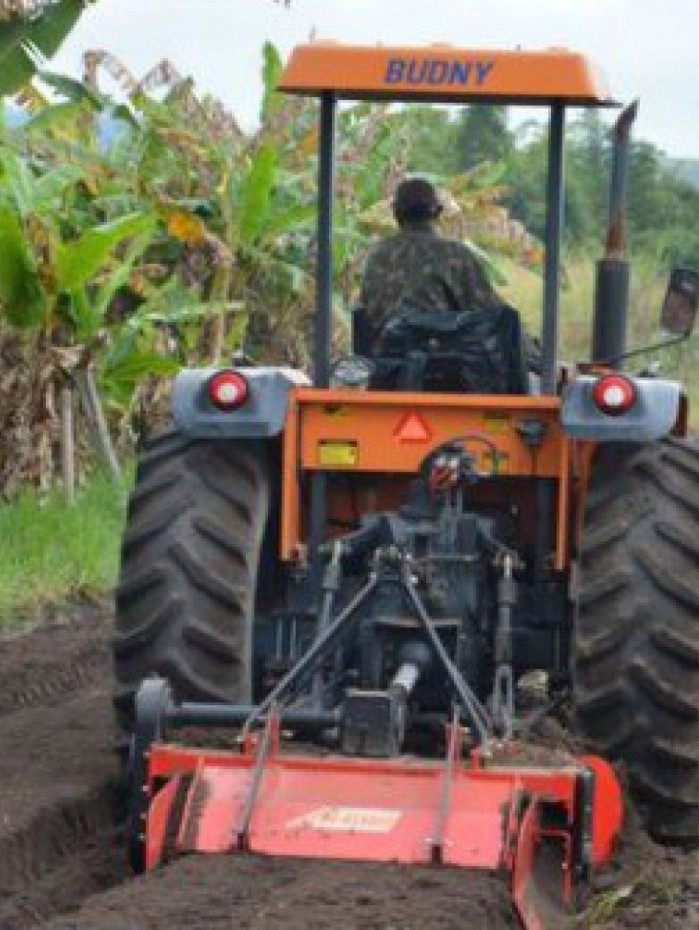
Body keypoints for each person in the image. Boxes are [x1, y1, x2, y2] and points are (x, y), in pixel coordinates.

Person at [359, 176, 499, 343]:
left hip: (384, 360)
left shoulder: (377, 255)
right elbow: (488, 313)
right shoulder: (454, 254)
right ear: (438, 212)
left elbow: (366, 308)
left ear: (396, 213)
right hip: (442, 360)